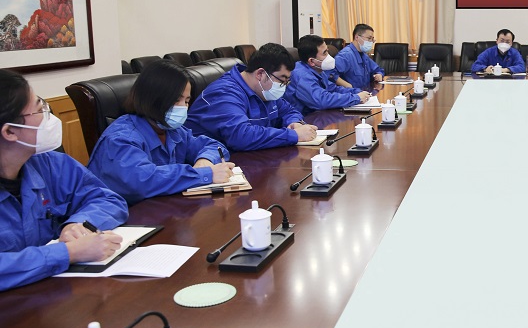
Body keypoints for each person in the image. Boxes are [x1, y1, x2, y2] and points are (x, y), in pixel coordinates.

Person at [0, 69, 127, 291]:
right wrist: (69, 253)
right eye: (40, 110)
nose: (49, 117)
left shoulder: (51, 164)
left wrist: (78, 224)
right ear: (10, 132)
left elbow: (108, 199)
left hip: (53, 293)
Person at [88, 60, 235, 205]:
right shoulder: (121, 138)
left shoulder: (171, 130)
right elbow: (143, 181)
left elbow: (215, 146)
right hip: (120, 214)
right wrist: (205, 174)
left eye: (186, 101)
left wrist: (205, 160)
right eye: (176, 100)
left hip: (160, 208)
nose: (183, 107)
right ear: (153, 99)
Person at [186, 43, 318, 151]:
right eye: (282, 80)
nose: (283, 86)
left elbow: (288, 110)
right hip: (210, 163)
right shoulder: (224, 93)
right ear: (260, 74)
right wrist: (293, 135)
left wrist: (295, 123)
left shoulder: (263, 90)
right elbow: (241, 136)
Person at [287, 35, 370, 114]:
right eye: (324, 53)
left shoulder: (318, 70)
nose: (329, 56)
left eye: (327, 51)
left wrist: (357, 92)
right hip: (304, 119)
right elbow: (322, 100)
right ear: (311, 61)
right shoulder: (301, 76)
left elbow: (333, 89)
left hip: (319, 115)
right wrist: (356, 98)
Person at [333, 24, 385, 88]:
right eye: (369, 38)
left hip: (365, 91)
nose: (371, 42)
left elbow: (377, 69)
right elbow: (331, 75)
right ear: (357, 37)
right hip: (350, 93)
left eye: (372, 39)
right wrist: (348, 86)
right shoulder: (345, 55)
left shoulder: (364, 55)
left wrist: (379, 74)